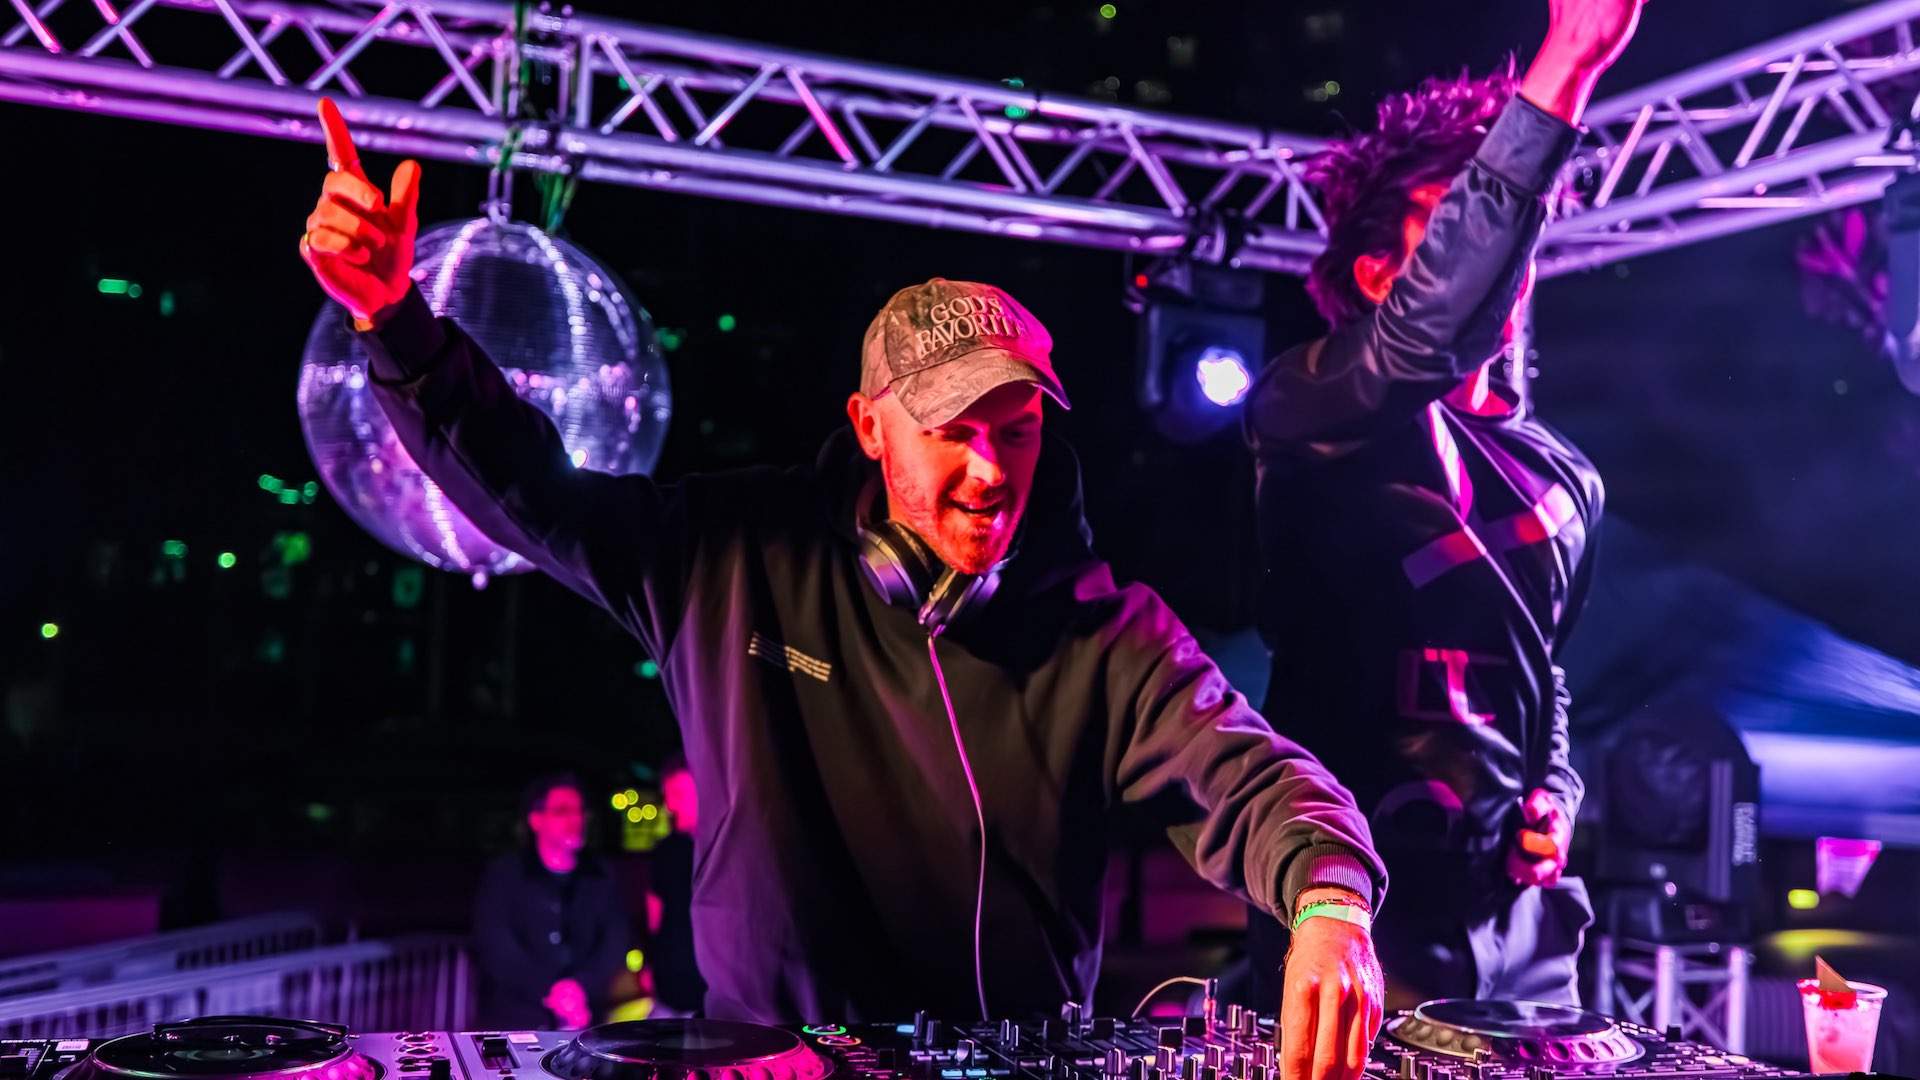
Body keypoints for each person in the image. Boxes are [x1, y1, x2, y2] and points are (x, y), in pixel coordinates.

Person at [299, 102, 1387, 1080]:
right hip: (763, 1067)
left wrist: (1331, 905)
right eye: (954, 431)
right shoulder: (730, 556)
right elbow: (529, 487)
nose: (992, 468)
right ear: (869, 429)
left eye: (1016, 429)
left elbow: (1256, 778)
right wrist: (397, 322)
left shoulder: (1106, 632)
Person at [1239, 0, 1644, 1008]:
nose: (1505, 254)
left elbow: (1544, 673)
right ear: (1381, 274)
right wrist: (1565, 69)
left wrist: (1555, 794)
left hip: (1522, 941)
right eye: (1456, 220)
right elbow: (1419, 343)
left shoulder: (1565, 475)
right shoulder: (1309, 408)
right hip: (1352, 921)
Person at [471, 774, 632, 1029]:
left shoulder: (600, 875)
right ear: (536, 820)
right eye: (562, 811)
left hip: (587, 1017)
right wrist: (551, 991)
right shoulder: (505, 875)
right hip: (517, 1019)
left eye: (579, 811)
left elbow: (615, 940)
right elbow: (496, 945)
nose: (575, 820)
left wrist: (581, 988)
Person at [644, 755, 706, 1017]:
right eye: (668, 795)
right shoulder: (664, 851)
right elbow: (654, 918)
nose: (671, 804)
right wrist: (649, 964)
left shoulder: (724, 851)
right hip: (670, 984)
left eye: (679, 793)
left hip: (711, 987)